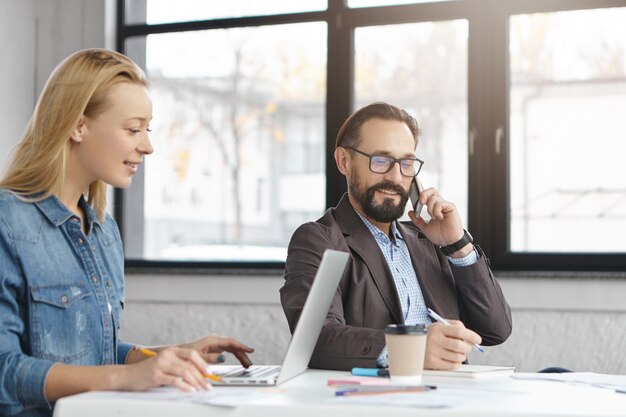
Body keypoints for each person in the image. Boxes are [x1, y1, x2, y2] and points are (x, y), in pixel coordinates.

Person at [0, 49, 254, 417]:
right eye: (133, 129)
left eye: (146, 131)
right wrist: (126, 377)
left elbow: (91, 351)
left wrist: (163, 357)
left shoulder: (103, 229)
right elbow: (5, 372)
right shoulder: (9, 222)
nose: (147, 146)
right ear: (77, 125)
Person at [280, 102, 512, 371]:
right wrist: (409, 349)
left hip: (451, 399)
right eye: (380, 160)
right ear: (344, 161)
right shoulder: (319, 240)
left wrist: (457, 245)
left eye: (407, 163)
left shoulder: (429, 240)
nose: (395, 176)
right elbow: (314, 340)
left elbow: (496, 329)